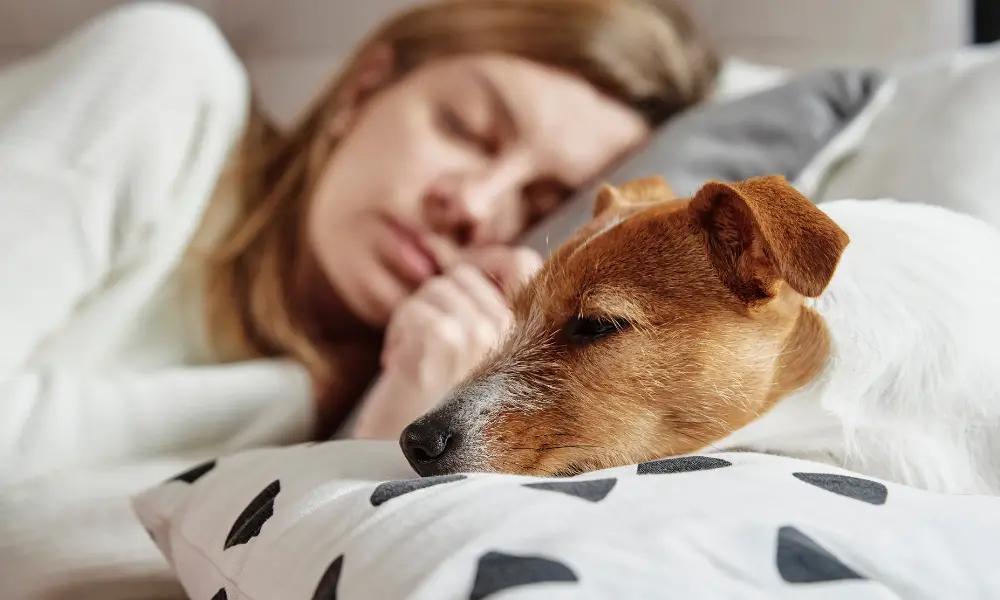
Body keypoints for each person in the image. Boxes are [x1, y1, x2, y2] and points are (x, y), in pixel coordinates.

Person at [0, 0, 716, 481]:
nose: (471, 205)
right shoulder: (166, 80)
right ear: (364, 88)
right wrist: (303, 396)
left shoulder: (421, 399)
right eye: (465, 127)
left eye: (538, 203)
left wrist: (382, 425)